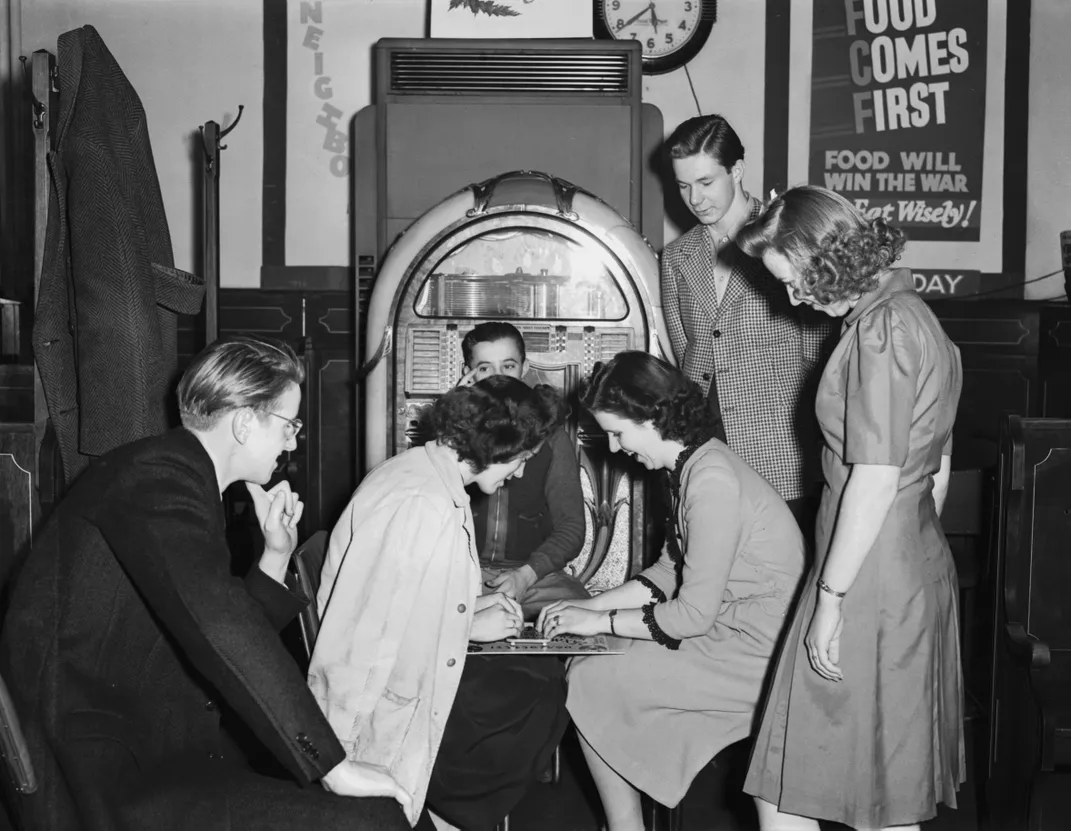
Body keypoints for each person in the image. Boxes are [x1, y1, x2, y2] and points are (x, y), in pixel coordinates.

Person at [0, 335, 423, 831]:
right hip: (107, 771)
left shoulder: (176, 474)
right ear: (244, 422)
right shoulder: (161, 477)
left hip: (151, 736)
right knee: (377, 819)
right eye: (289, 426)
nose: (293, 442)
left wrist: (276, 553)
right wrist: (333, 765)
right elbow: (219, 624)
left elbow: (216, 622)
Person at [735, 185, 965, 831]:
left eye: (792, 279)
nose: (792, 297)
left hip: (864, 575)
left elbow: (873, 475)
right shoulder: (916, 315)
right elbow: (936, 469)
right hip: (901, 561)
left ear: (824, 258)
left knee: (794, 786)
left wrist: (831, 598)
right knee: (872, 789)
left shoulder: (880, 329)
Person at [536, 351, 807, 831]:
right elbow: (669, 570)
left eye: (618, 433)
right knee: (591, 661)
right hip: (733, 636)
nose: (616, 449)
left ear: (650, 416)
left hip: (762, 655)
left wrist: (596, 622)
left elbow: (691, 617)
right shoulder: (692, 465)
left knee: (592, 676)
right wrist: (589, 606)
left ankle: (626, 826)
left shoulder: (710, 481)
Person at [308, 375, 571, 831]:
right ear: (498, 446)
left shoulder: (425, 476)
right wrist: (468, 627)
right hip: (384, 702)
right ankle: (452, 813)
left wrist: (475, 605)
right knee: (534, 694)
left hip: (404, 673)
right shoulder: (421, 502)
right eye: (523, 459)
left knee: (538, 679)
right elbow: (373, 637)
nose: (522, 472)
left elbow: (410, 596)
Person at [660, 114, 836, 537]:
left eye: (705, 182)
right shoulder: (676, 257)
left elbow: (821, 349)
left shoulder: (787, 236)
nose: (694, 199)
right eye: (683, 186)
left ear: (736, 170)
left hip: (784, 448)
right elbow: (685, 353)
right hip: (707, 445)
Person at [458, 321, 589, 619]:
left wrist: (526, 575)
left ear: (525, 368)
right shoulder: (453, 436)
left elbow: (571, 527)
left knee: (576, 610)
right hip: (460, 576)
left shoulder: (552, 437)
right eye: (484, 369)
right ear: (468, 372)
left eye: (508, 366)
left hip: (531, 579)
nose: (497, 379)